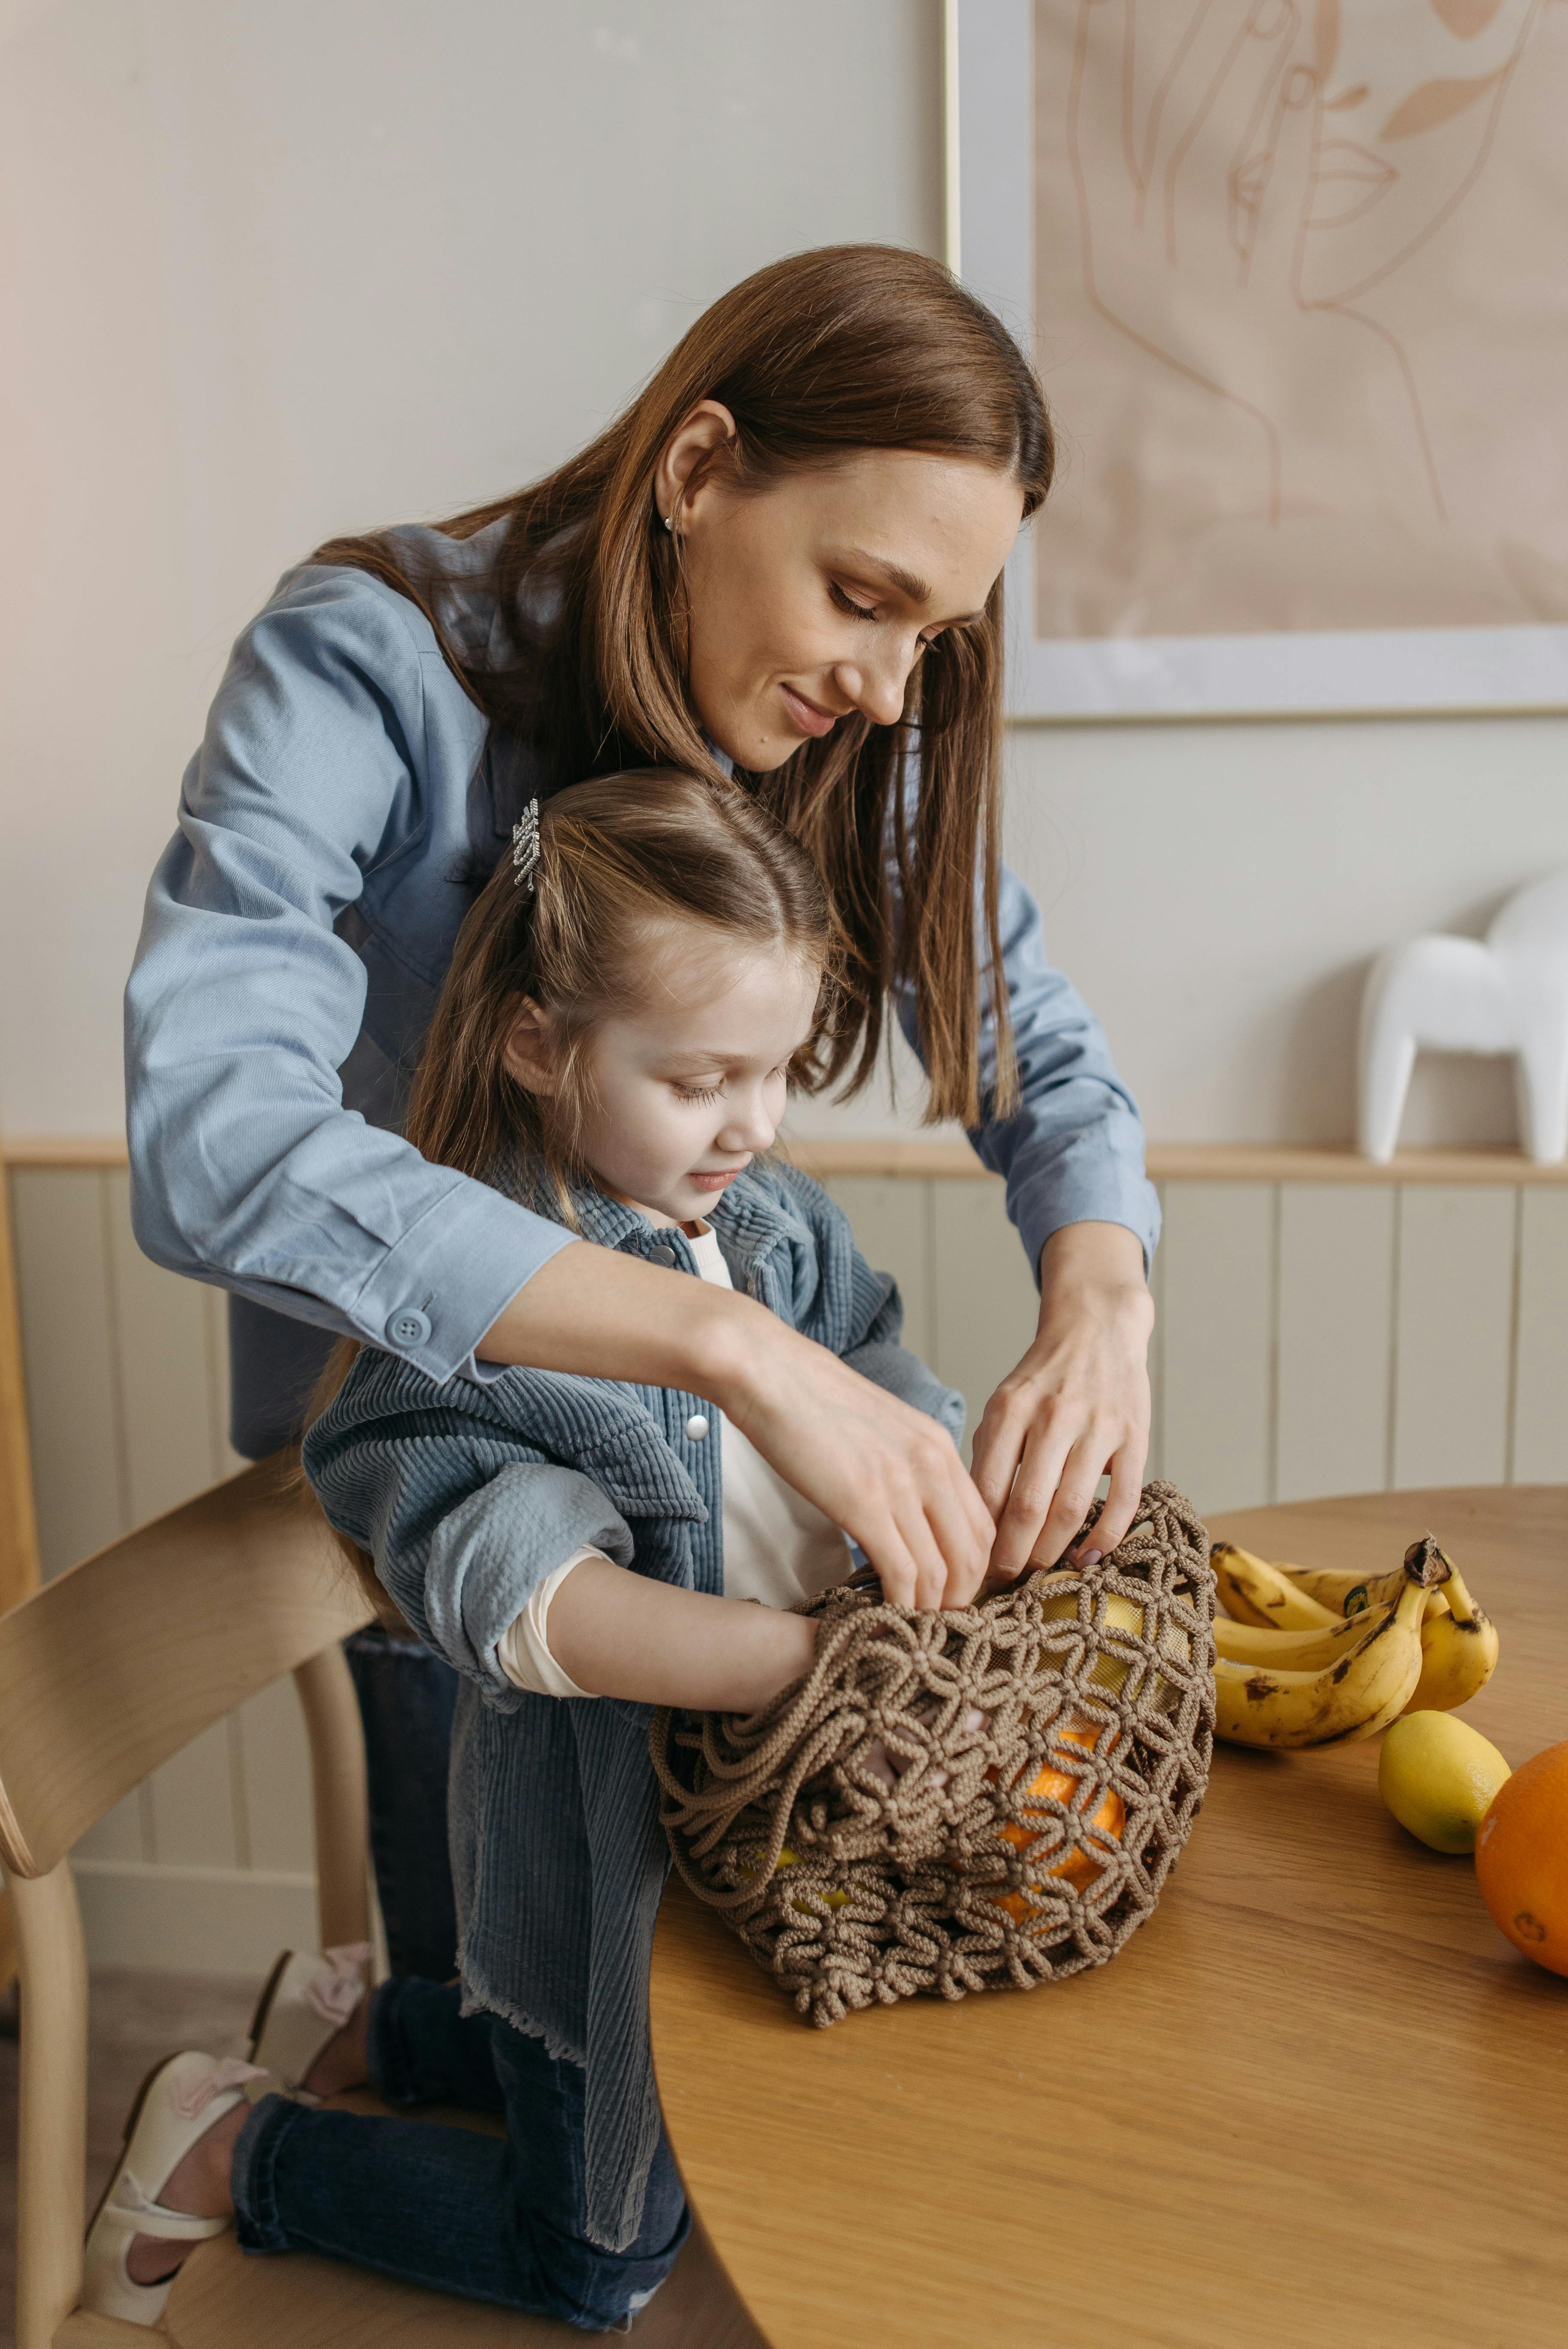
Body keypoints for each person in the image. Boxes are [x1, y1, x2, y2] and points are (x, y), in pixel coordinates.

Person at [124, 242, 1159, 1979]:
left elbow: (1027, 1038)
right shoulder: (366, 665)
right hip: (441, 1525)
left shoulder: (842, 721)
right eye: (860, 597)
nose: (892, 690)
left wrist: (1102, 1296)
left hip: (715, 1529)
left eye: (932, 635)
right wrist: (734, 1348)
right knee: (523, 2045)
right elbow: (211, 1137)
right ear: (695, 472)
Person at [88, 774, 980, 2325]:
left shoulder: (764, 1216)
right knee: (606, 2255)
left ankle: (368, 2027)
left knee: (696, 2124)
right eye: (705, 1079)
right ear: (535, 1043)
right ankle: (241, 2146)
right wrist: (803, 1663)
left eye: (779, 1073)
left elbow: (872, 1342)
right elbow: (526, 1596)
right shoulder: (474, 1319)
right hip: (603, 1871)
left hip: (754, 1831)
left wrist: (928, 1447)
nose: (755, 1125)